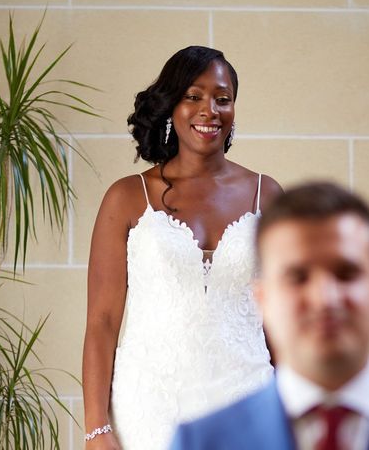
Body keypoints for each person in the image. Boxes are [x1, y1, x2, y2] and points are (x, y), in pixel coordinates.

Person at [169, 182, 369, 450]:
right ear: (262, 300)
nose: (325, 298)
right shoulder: (200, 443)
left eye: (345, 273)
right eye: (298, 276)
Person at [82, 46, 282, 449]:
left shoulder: (268, 196)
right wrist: (96, 428)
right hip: (149, 411)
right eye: (193, 96)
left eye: (222, 99)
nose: (209, 109)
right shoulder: (127, 197)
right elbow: (102, 321)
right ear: (172, 106)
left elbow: (284, 322)